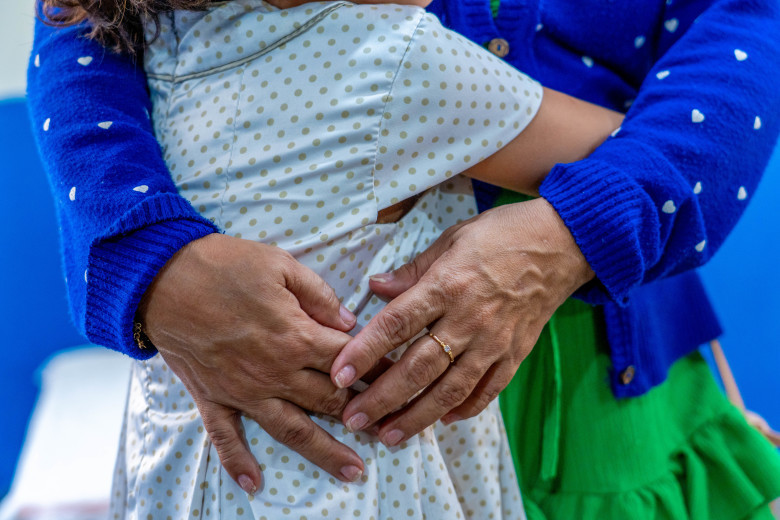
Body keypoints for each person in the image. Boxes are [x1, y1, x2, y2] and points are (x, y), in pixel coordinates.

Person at [27, 0, 780, 518]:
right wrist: (144, 252)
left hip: (595, 367)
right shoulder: (395, 62)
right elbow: (612, 150)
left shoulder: (183, 47)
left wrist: (578, 234)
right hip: (417, 429)